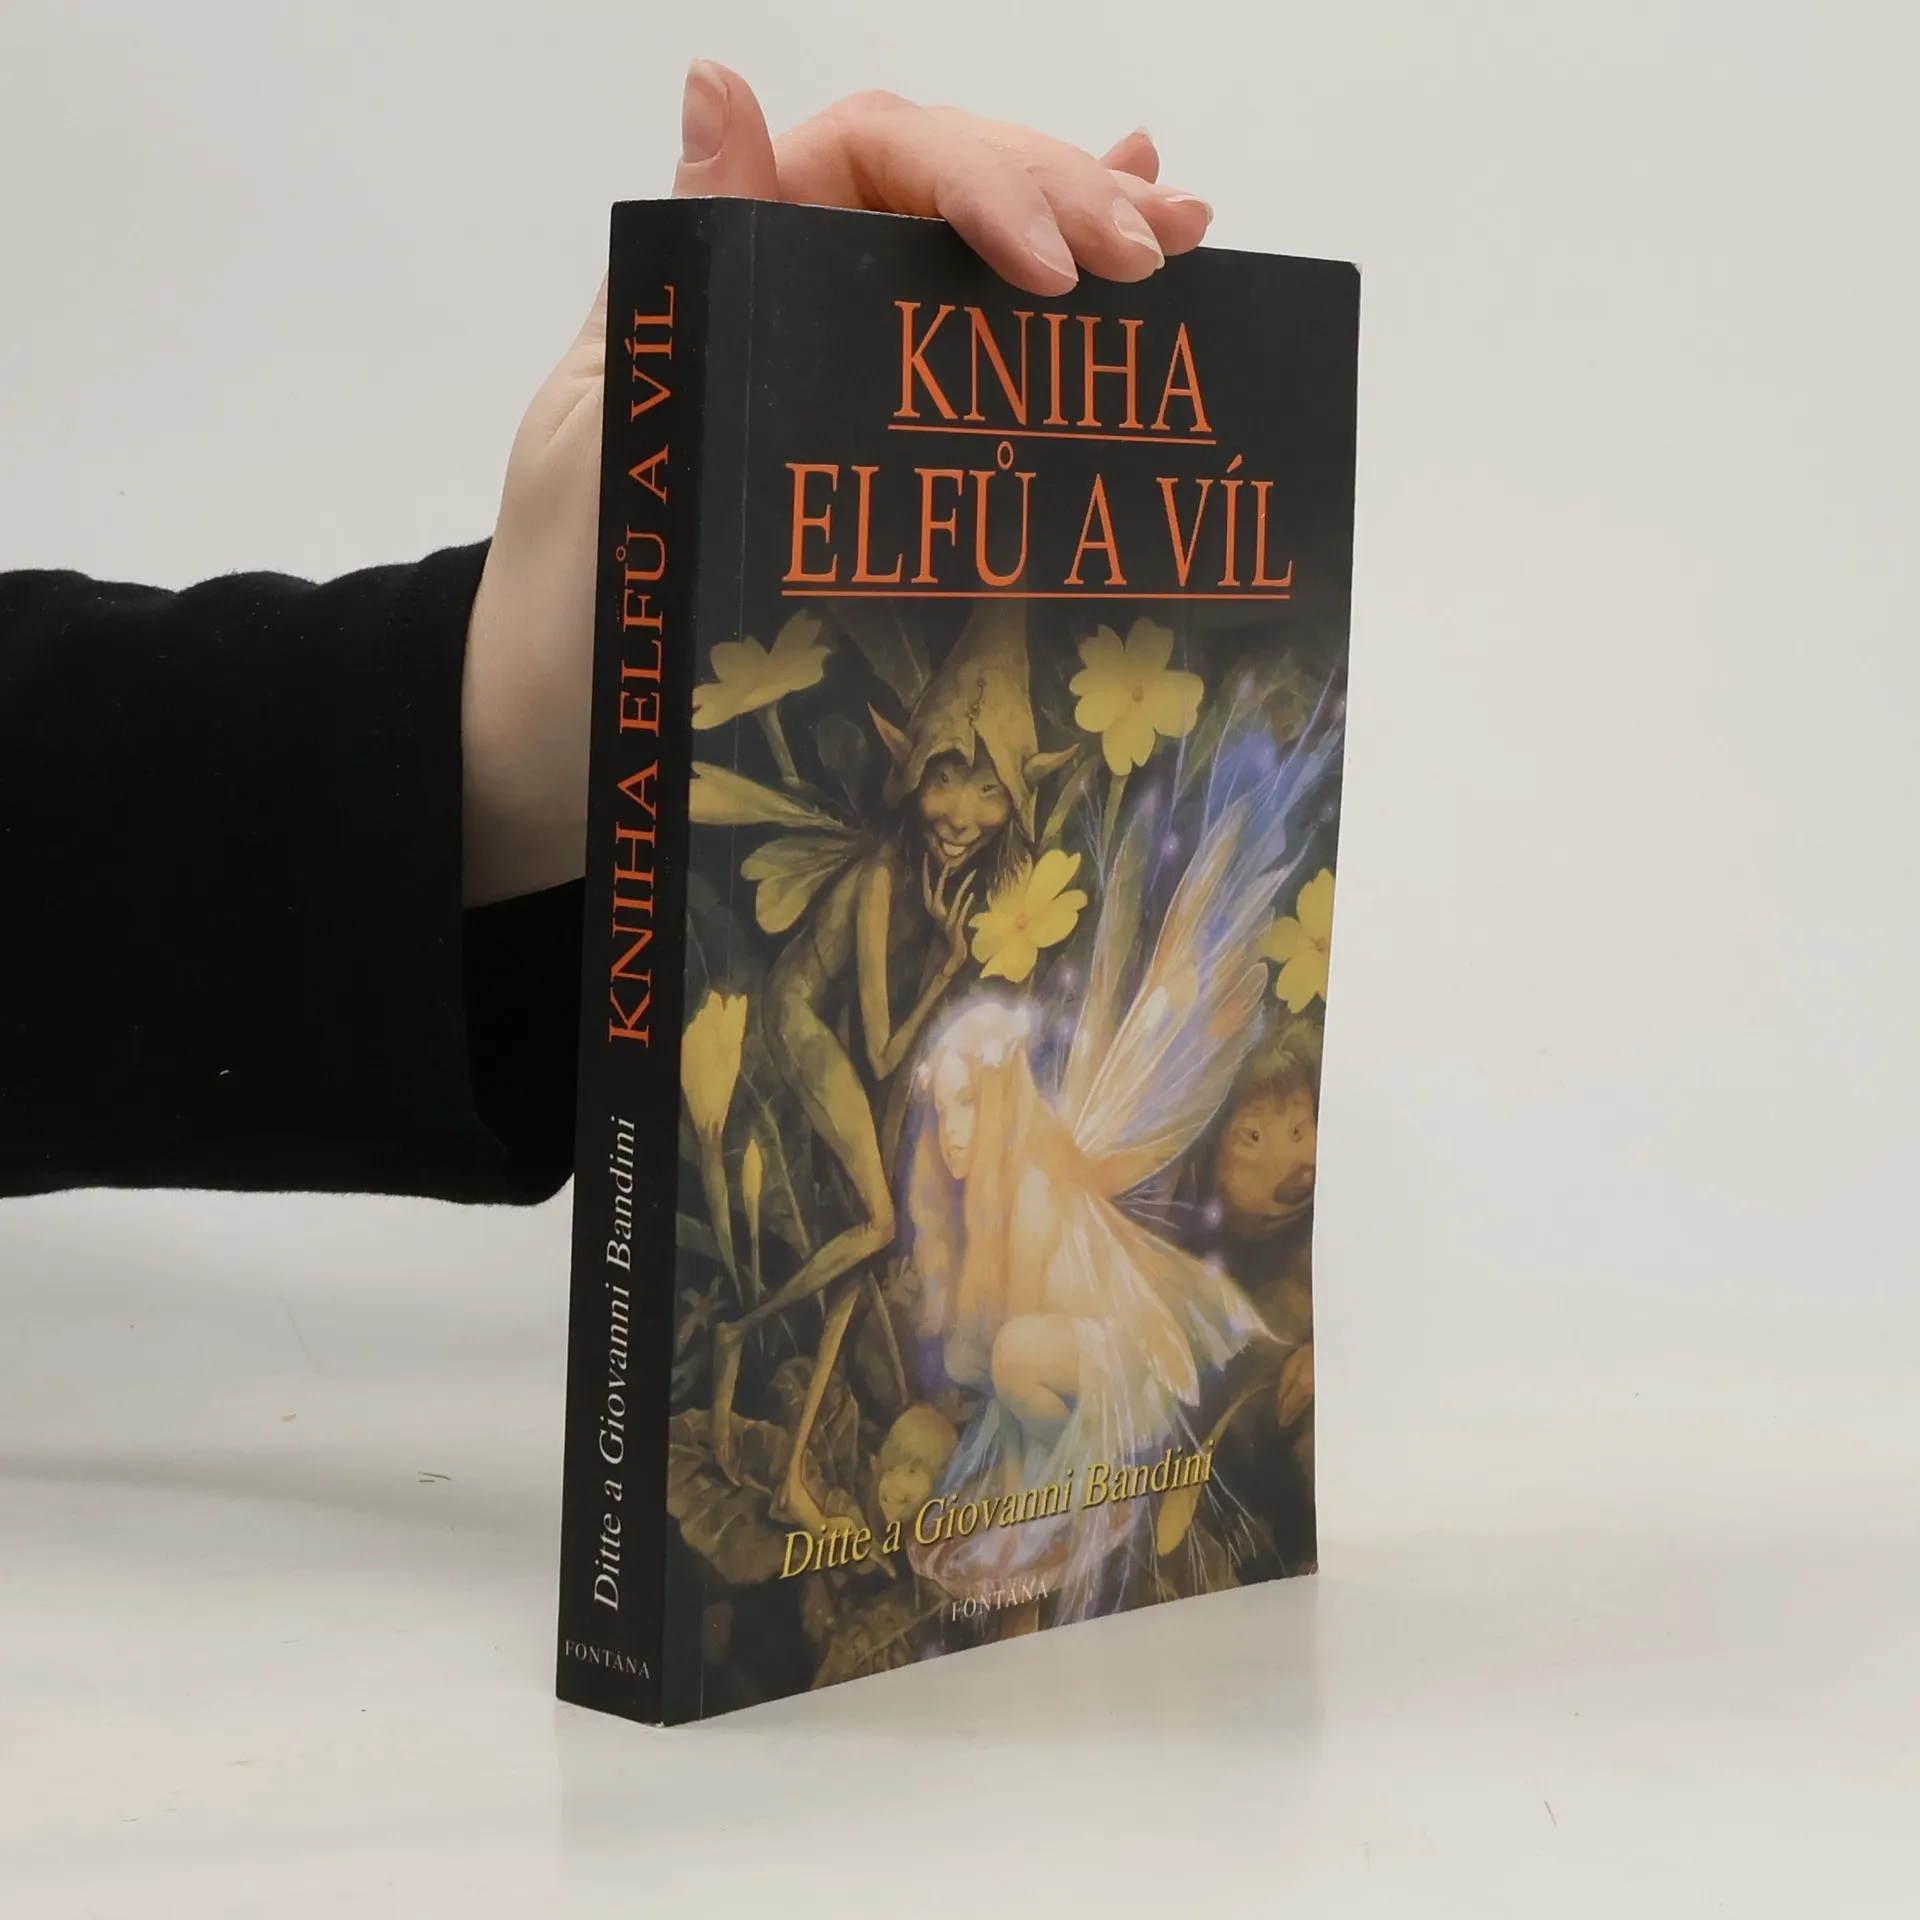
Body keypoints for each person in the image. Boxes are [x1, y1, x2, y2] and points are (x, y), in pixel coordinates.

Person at [0, 62, 1214, 1205]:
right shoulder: (892, 881)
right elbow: (866, 1034)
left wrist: (478, 730)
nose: (957, 809)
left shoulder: (997, 880)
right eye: (949, 775)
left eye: (982, 785)